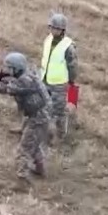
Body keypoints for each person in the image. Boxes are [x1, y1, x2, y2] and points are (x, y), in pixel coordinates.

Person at [0, 52, 50, 183]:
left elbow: (8, 89)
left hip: (38, 118)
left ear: (17, 68)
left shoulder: (25, 81)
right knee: (33, 142)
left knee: (24, 149)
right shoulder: (27, 75)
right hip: (38, 115)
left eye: (9, 67)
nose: (6, 70)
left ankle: (22, 179)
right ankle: (40, 168)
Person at [40, 13, 78, 144]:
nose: (53, 30)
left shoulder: (69, 47)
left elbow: (72, 66)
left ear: (62, 30)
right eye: (51, 27)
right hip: (45, 79)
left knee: (59, 110)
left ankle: (60, 135)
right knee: (40, 105)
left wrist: (71, 81)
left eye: (56, 28)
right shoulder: (48, 40)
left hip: (59, 84)